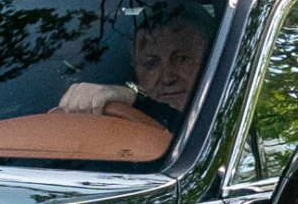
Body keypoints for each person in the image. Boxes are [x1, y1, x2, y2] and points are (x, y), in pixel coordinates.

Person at [54, 11, 212, 134]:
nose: (167, 77)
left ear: (209, 61)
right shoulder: (111, 129)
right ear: (136, 72)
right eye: (151, 64)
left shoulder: (230, 117)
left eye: (182, 59)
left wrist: (137, 102)